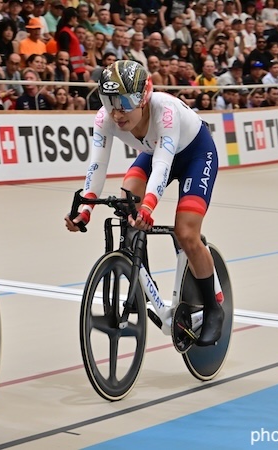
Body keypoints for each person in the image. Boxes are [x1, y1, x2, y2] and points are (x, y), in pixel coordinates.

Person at [64, 61, 224, 347]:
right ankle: (141, 279)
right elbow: (97, 165)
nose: (117, 113)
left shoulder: (165, 112)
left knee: (186, 232)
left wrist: (148, 208)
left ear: (144, 98)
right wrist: (85, 210)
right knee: (126, 202)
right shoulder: (105, 119)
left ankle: (213, 308)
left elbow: (163, 166)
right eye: (109, 102)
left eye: (124, 103)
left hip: (195, 155)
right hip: (155, 152)